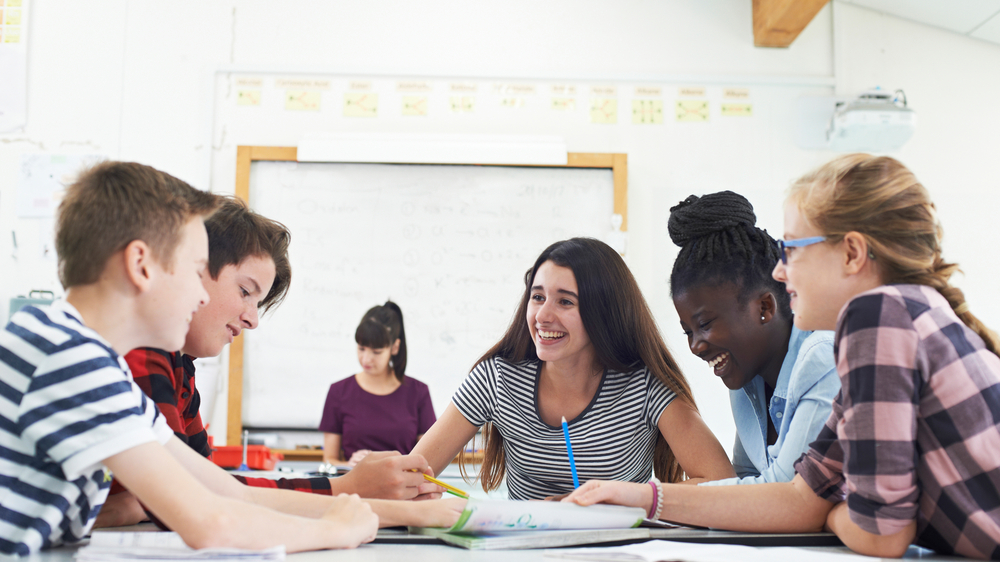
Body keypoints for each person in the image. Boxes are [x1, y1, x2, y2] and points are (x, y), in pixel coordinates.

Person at [0, 162, 460, 556]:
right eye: (195, 270)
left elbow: (227, 493)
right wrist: (336, 530)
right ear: (141, 265)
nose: (199, 293)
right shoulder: (70, 357)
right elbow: (211, 522)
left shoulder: (98, 366)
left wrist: (390, 513)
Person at [563, 155, 1000, 560]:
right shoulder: (900, 318)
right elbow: (799, 496)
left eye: (792, 249)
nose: (779, 271)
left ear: (851, 253)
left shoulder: (877, 317)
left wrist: (831, 515)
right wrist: (643, 497)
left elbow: (881, 533)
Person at [96, 197, 445, 529]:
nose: (252, 320)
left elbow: (210, 486)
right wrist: (351, 494)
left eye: (258, 303)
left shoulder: (179, 366)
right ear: (193, 271)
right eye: (245, 292)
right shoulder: (142, 349)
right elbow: (191, 499)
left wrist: (353, 491)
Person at [412, 237, 735, 500]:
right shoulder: (497, 379)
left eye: (565, 302)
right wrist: (418, 491)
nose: (542, 316)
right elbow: (413, 475)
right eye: (537, 297)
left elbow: (721, 483)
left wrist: (619, 499)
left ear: (604, 312)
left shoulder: (644, 385)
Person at [667, 191, 839, 485]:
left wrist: (653, 499)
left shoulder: (824, 357)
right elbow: (747, 476)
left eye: (704, 324)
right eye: (688, 331)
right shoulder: (745, 380)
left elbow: (784, 491)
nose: (695, 346)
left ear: (764, 307)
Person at [320, 301, 436, 466]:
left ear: (394, 347)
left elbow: (429, 460)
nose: (366, 359)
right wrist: (350, 466)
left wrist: (392, 463)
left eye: (376, 352)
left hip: (405, 488)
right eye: (361, 348)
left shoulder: (418, 392)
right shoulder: (339, 391)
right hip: (354, 488)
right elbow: (329, 460)